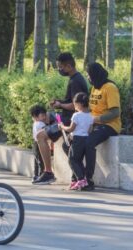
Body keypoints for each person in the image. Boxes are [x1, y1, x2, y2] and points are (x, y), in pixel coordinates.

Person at [34, 52, 88, 185]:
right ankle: (76, 174)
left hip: (68, 120)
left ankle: (48, 172)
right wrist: (58, 102)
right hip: (65, 117)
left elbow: (76, 105)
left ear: (69, 66)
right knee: (39, 128)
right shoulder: (75, 78)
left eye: (61, 67)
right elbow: (71, 101)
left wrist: (60, 104)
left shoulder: (76, 81)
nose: (60, 70)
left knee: (40, 136)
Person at [84, 62, 121, 191]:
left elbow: (115, 112)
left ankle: (88, 179)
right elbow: (92, 108)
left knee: (89, 143)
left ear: (95, 74)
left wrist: (96, 119)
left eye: (88, 75)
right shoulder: (95, 87)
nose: (87, 77)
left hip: (109, 125)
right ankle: (79, 176)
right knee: (70, 142)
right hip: (93, 123)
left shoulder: (110, 87)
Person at [59, 92, 93, 190]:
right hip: (85, 140)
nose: (74, 107)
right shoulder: (90, 116)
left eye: (75, 104)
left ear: (80, 104)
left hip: (77, 140)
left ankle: (81, 180)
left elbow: (71, 129)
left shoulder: (76, 115)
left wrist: (62, 126)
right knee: (78, 160)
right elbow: (89, 130)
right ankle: (76, 180)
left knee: (72, 160)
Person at [30, 105, 46, 182]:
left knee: (37, 160)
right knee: (41, 160)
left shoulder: (35, 123)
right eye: (42, 116)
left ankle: (35, 175)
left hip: (35, 143)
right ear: (35, 117)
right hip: (40, 143)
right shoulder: (41, 124)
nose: (44, 117)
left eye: (44, 115)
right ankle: (41, 176)